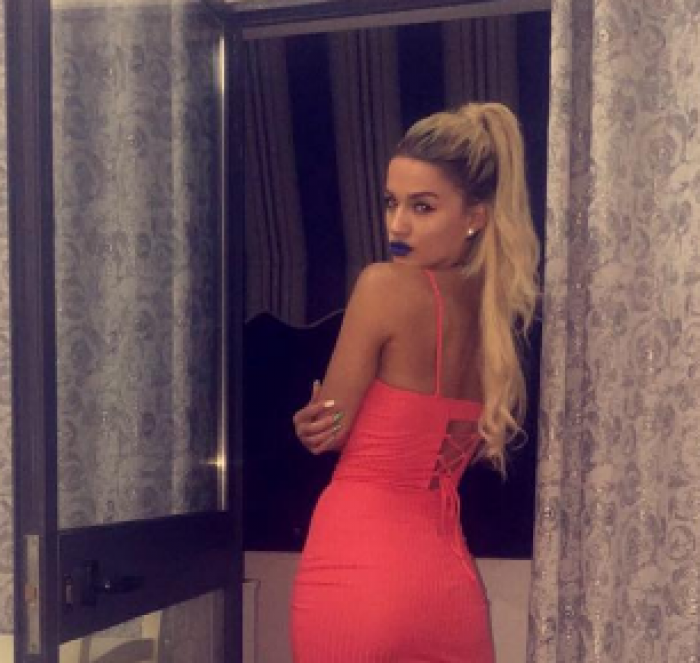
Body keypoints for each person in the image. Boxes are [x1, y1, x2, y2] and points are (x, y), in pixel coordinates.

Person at [290, 102, 540, 662]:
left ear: (475, 216)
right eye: (391, 202)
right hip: (447, 583)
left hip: (358, 562)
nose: (398, 225)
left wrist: (312, 423)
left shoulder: (384, 286)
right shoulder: (494, 320)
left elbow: (328, 429)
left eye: (422, 207)